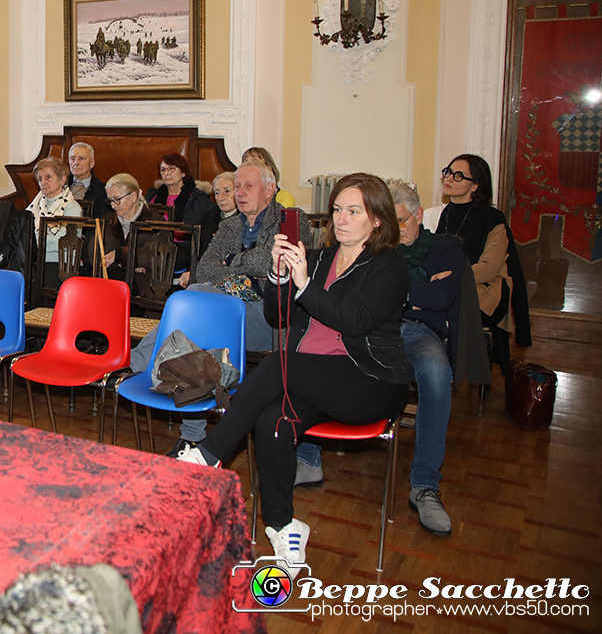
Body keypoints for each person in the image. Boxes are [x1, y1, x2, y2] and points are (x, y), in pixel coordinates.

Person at [178, 173, 411, 578]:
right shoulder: (319, 259)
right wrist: (279, 277)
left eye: (353, 211)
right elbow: (277, 316)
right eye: (337, 209)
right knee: (272, 421)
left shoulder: (389, 267)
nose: (341, 219)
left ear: (377, 219)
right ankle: (284, 526)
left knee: (278, 363)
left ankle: (209, 453)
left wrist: (303, 285)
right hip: (310, 380)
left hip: (369, 383)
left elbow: (356, 322)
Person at [295, 179, 467, 536]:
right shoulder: (369, 249)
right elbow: (348, 305)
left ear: (419, 216)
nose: (396, 227)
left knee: (436, 372)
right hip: (363, 330)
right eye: (391, 219)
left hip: (416, 329)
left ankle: (424, 485)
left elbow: (441, 297)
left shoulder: (444, 249)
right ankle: (307, 457)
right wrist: (411, 292)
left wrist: (398, 295)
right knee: (314, 347)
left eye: (403, 220)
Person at [436, 154, 531, 373]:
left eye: (459, 176)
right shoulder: (446, 214)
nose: (449, 178)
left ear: (475, 185)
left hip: (485, 292)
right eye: (448, 172)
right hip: (452, 285)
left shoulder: (493, 218)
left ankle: (444, 370)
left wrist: (450, 275)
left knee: (436, 303)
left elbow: (489, 269)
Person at [182, 162, 286, 352]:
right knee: (193, 298)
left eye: (249, 186)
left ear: (270, 190)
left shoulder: (288, 221)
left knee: (192, 308)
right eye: (237, 186)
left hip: (268, 315)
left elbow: (269, 262)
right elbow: (204, 269)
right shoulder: (230, 226)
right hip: (228, 305)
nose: (240, 193)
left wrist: (230, 260)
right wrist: (248, 275)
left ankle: (136, 366)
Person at [27, 156, 83, 289]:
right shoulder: (35, 205)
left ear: (62, 179)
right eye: (40, 179)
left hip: (61, 265)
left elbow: (63, 241)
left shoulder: (72, 208)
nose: (43, 182)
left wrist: (31, 241)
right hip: (36, 260)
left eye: (48, 177)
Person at [100, 173, 146, 281]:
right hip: (111, 279)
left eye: (117, 199)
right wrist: (129, 263)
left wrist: (121, 256)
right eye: (110, 200)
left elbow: (154, 254)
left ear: (133, 196)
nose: (113, 205)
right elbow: (95, 250)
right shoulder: (106, 221)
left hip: (142, 283)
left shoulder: (154, 222)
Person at [66, 142, 113, 217]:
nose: (76, 162)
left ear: (92, 163)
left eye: (81, 158)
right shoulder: (59, 187)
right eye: (72, 159)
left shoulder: (105, 191)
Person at [198, 171, 237, 258]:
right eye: (217, 193)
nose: (221, 198)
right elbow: (203, 252)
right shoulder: (210, 217)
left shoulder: (247, 218)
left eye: (227, 191)